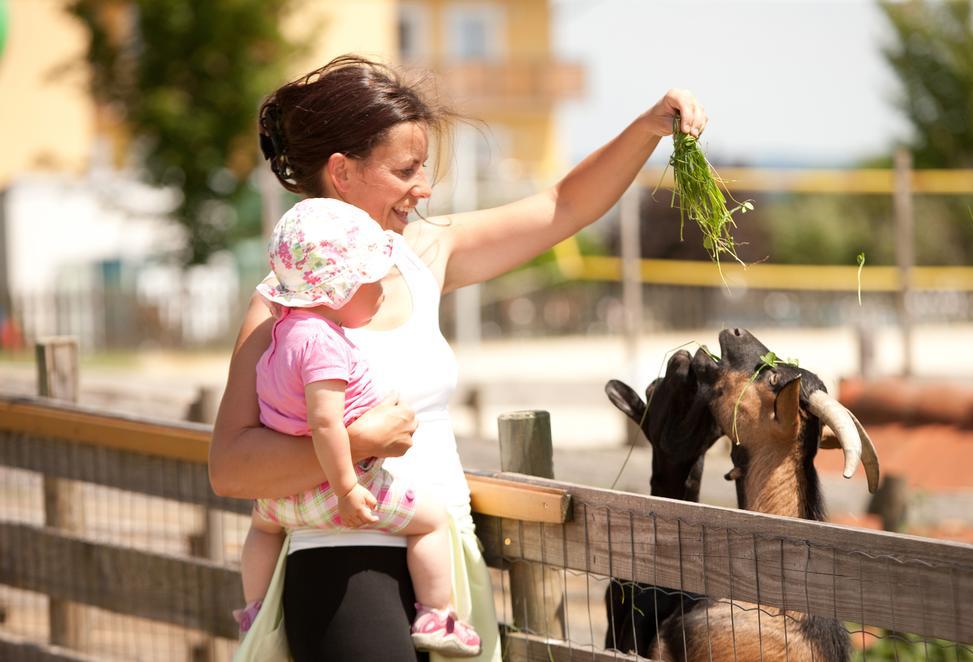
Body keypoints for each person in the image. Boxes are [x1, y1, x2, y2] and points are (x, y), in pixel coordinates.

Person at [210, 53, 707, 661]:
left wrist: (648, 128)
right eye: (406, 169)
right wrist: (359, 440)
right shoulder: (286, 304)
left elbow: (564, 206)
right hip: (346, 567)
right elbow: (230, 467)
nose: (424, 187)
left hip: (442, 557)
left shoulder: (424, 251)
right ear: (342, 172)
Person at [235, 197, 480, 657]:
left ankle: (254, 608)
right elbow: (326, 422)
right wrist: (348, 489)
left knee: (262, 529)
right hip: (334, 492)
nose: (383, 290)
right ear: (337, 290)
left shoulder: (282, 331)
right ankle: (436, 613)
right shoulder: (323, 343)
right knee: (430, 520)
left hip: (279, 502)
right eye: (371, 283)